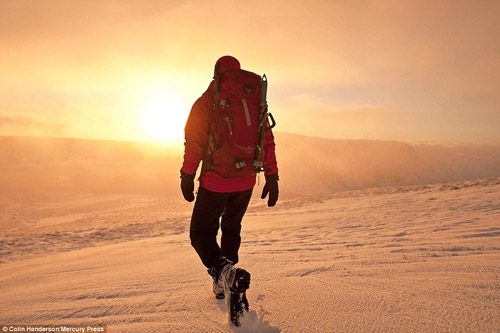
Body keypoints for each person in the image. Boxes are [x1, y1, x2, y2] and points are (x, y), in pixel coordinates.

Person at [180, 55, 279, 304]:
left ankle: (224, 274)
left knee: (201, 234)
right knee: (231, 229)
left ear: (217, 73)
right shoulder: (255, 101)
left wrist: (187, 175)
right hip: (246, 180)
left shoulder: (206, 102)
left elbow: (195, 143)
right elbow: (266, 140)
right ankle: (228, 282)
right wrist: (272, 175)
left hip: (216, 180)